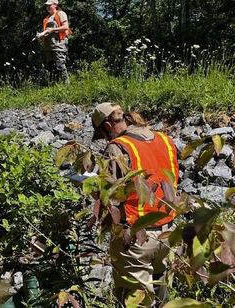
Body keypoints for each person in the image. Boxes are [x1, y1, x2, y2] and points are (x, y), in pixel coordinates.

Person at [91, 103, 179, 306]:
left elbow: (107, 196)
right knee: (159, 293)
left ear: (106, 125)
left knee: (135, 301)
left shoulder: (117, 147)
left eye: (102, 134)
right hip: (167, 233)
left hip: (136, 237)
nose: (105, 139)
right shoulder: (165, 140)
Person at [37, 0, 71, 84]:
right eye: (46, 6)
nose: (48, 7)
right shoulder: (46, 19)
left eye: (49, 5)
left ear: (55, 5)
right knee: (50, 67)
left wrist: (53, 30)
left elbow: (65, 27)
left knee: (60, 65)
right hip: (49, 46)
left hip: (59, 44)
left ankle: (66, 84)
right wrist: (41, 34)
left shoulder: (60, 14)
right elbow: (47, 32)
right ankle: (53, 85)